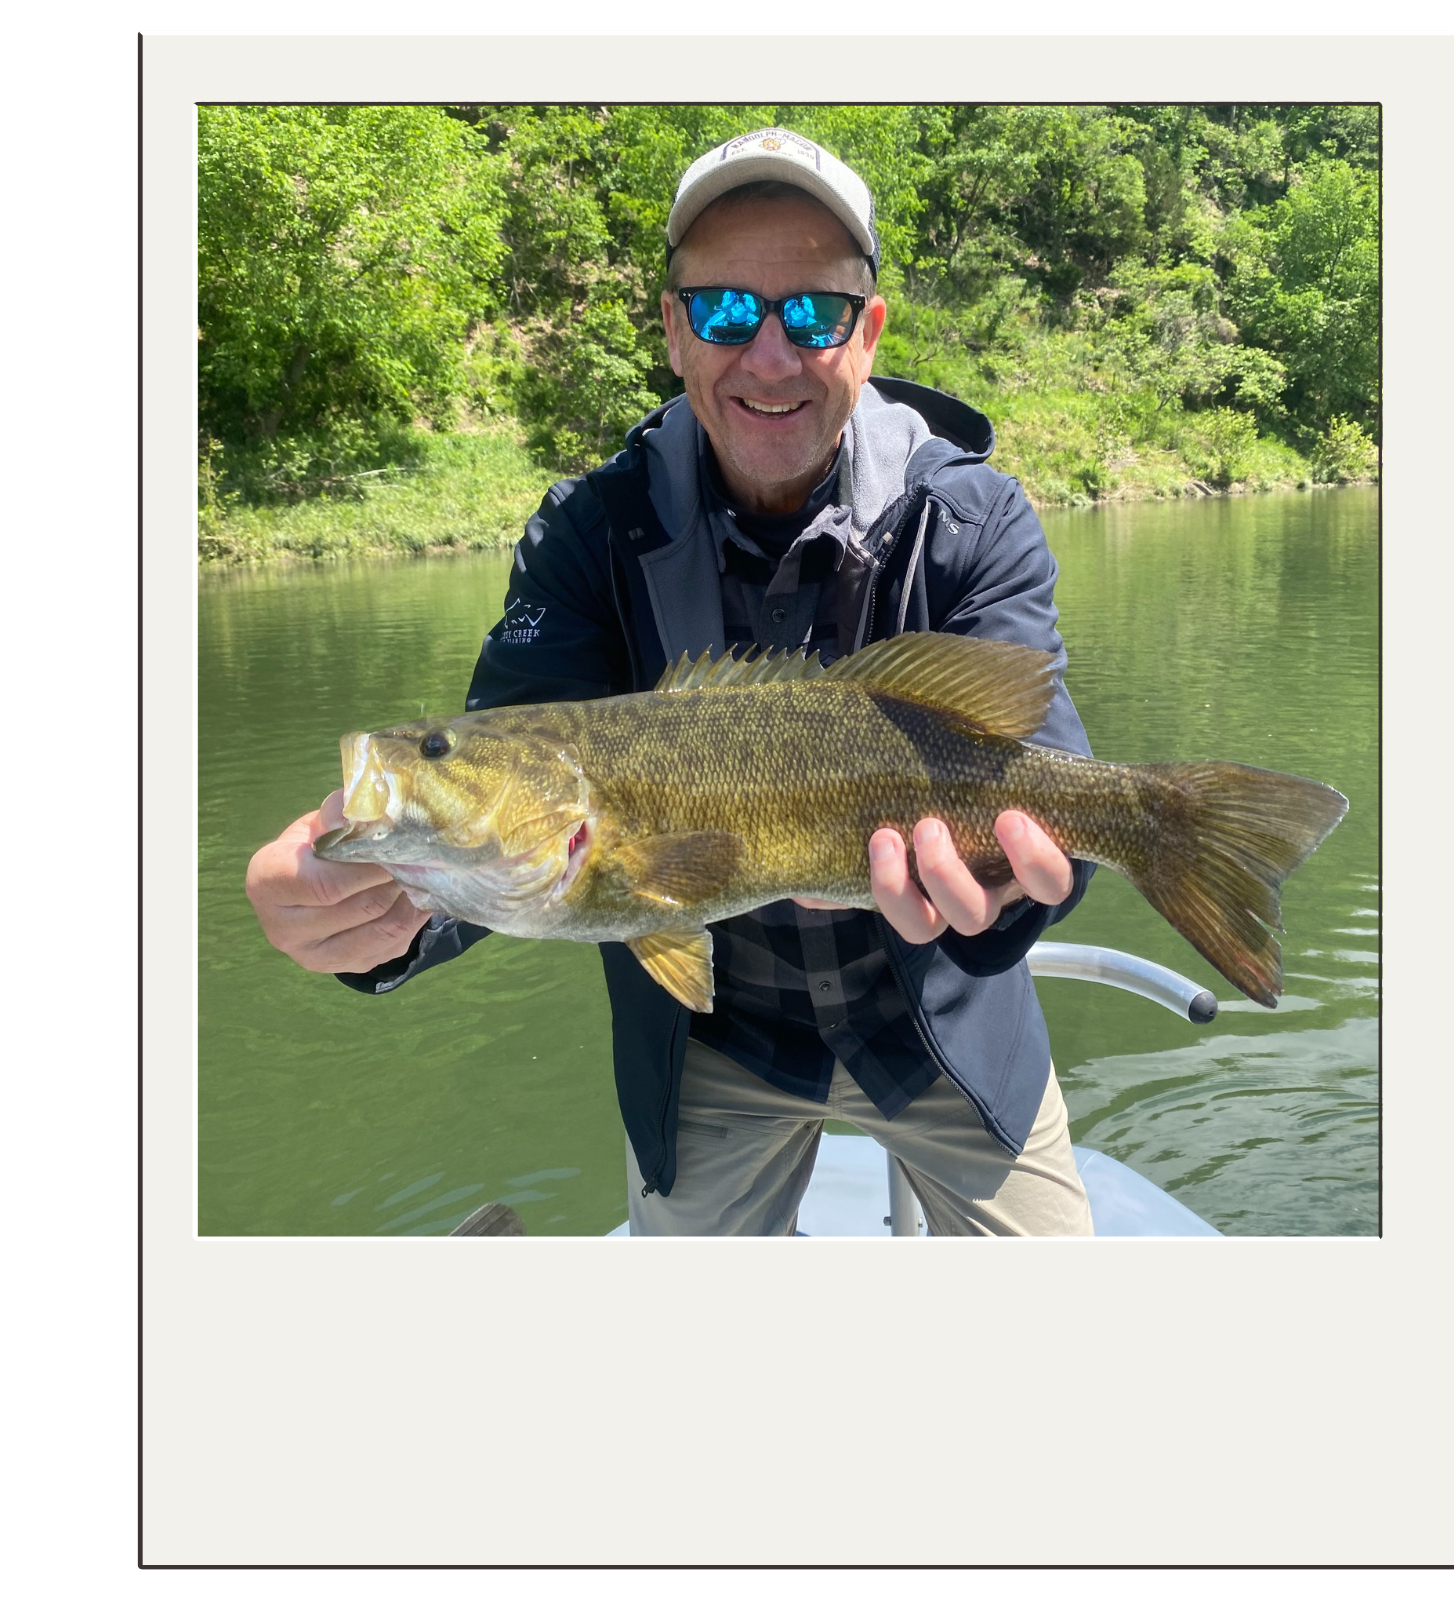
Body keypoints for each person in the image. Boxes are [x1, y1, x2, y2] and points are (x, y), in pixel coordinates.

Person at [245, 127, 1100, 1236]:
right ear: (673, 329)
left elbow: (1058, 786)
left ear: (868, 331)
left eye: (812, 314)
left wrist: (1004, 901)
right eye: (727, 312)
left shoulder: (972, 517)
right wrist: (385, 910)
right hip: (711, 1044)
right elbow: (513, 800)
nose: (771, 356)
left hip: (945, 1022)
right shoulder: (587, 535)